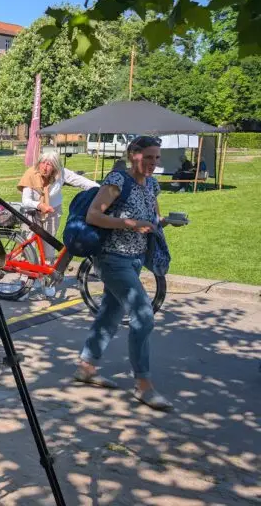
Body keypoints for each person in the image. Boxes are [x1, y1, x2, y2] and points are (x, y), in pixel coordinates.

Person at [75, 135, 185, 411]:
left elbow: (152, 219)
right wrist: (129, 223)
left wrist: (166, 221)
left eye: (157, 157)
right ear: (132, 154)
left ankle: (86, 367)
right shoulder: (117, 181)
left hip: (136, 259)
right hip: (112, 259)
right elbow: (93, 216)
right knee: (143, 314)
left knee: (111, 314)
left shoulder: (152, 185)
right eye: (148, 157)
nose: (153, 163)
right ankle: (143, 385)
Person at [17, 151, 99, 263]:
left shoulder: (61, 173)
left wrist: (102, 189)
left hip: (52, 212)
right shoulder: (31, 174)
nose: (44, 167)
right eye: (43, 163)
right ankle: (26, 276)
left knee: (49, 244)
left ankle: (47, 273)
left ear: (55, 166)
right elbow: (25, 200)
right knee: (28, 244)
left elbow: (82, 182)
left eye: (49, 164)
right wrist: (40, 205)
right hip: (32, 212)